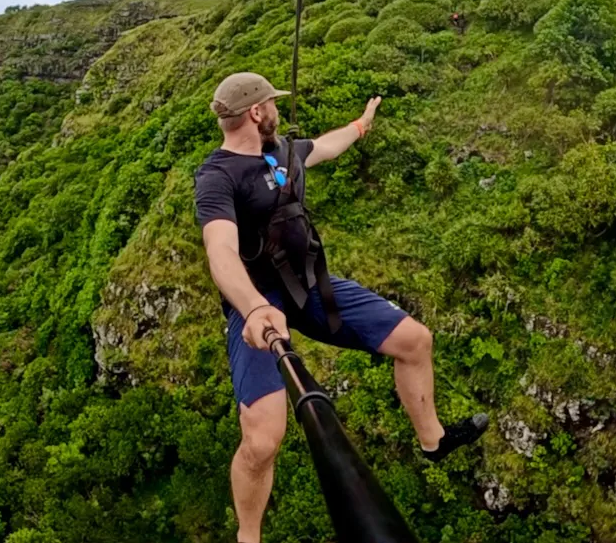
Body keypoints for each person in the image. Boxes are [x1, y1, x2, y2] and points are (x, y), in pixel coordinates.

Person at [194, 72, 488, 543]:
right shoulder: (217, 177)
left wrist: (362, 123)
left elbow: (328, 146)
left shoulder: (285, 151)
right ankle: (248, 535)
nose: (275, 110)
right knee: (262, 439)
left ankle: (432, 440)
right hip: (260, 301)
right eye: (271, 103)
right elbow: (220, 251)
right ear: (255, 112)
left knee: (415, 340)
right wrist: (251, 308)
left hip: (309, 284)